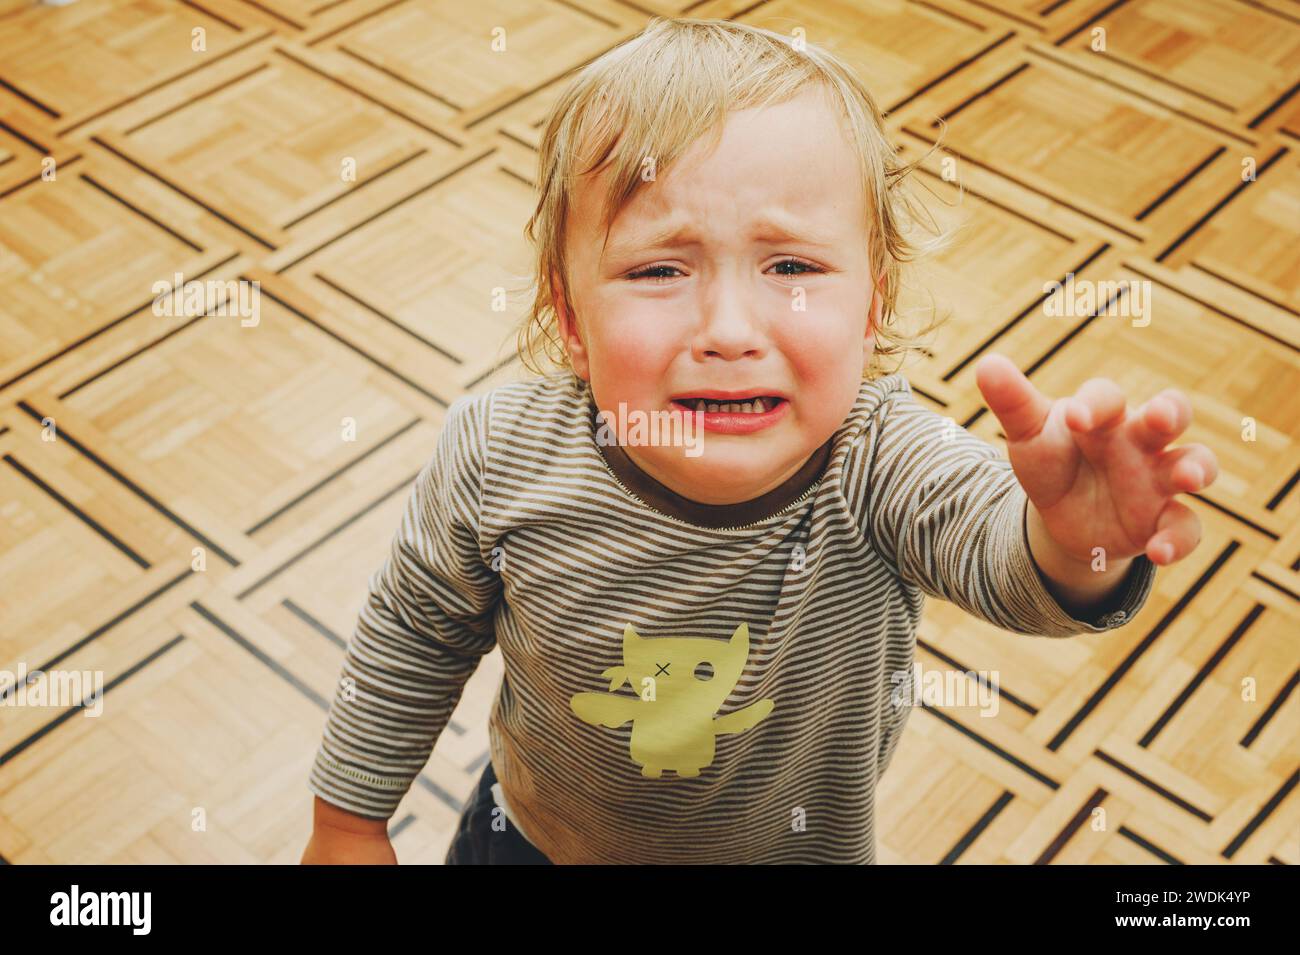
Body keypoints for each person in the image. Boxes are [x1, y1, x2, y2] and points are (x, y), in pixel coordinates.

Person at [300, 17, 1217, 865]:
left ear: (874, 305)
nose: (730, 328)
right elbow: (415, 632)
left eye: (792, 266)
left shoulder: (879, 459)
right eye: (659, 268)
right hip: (535, 843)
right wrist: (347, 818)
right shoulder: (499, 456)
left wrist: (1076, 538)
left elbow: (1006, 560)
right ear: (567, 315)